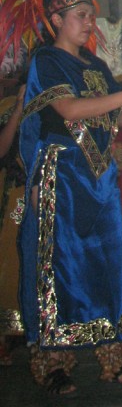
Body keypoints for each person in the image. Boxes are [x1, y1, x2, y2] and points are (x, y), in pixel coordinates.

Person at [18, 0, 122, 395]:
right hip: (61, 175)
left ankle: (116, 360)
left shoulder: (96, 68)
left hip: (97, 179)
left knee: (110, 267)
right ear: (57, 20)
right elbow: (69, 110)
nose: (89, 22)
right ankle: (52, 362)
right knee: (57, 268)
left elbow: (109, 122)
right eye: (80, 16)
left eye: (91, 15)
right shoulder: (47, 60)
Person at [0, 74, 26, 365]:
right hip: (11, 195)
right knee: (9, 258)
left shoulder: (55, 107)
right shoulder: (8, 106)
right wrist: (19, 109)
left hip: (42, 194)